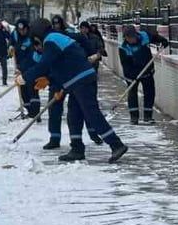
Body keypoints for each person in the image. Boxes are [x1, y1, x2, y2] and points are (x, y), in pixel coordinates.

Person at [22, 17, 127, 163]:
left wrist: (25, 78)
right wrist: (52, 82)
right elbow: (60, 65)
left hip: (81, 80)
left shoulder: (51, 40)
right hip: (76, 82)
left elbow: (44, 64)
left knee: (92, 114)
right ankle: (77, 149)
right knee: (74, 116)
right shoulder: (55, 38)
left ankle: (116, 144)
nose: (35, 42)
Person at [118, 24, 169, 124]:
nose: (130, 40)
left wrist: (163, 41)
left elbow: (155, 37)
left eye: (132, 37)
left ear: (136, 35)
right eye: (128, 38)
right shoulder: (123, 48)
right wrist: (134, 76)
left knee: (149, 93)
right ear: (125, 37)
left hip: (147, 71)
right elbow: (126, 65)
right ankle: (134, 117)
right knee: (132, 94)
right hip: (132, 75)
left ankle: (148, 117)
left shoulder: (144, 36)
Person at [11, 19, 40, 118]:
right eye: (20, 30)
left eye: (24, 30)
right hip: (21, 68)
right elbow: (12, 42)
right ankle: (29, 110)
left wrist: (22, 68)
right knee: (23, 91)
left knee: (32, 90)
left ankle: (36, 113)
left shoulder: (31, 39)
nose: (22, 32)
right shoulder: (16, 35)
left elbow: (31, 58)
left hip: (31, 68)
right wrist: (10, 47)